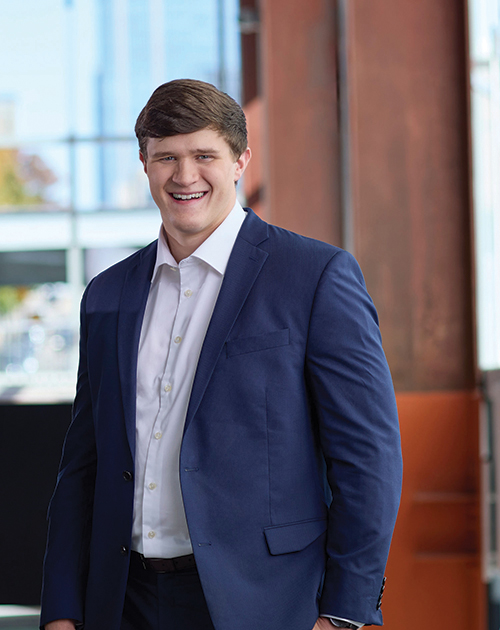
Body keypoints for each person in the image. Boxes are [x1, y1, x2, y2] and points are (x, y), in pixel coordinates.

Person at [40, 79, 402, 630]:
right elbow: (83, 466)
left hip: (266, 602)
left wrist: (345, 613)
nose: (185, 177)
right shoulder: (107, 295)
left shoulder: (314, 277)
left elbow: (368, 458)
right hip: (123, 601)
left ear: (240, 161)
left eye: (204, 155)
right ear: (145, 164)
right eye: (167, 158)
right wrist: (61, 611)